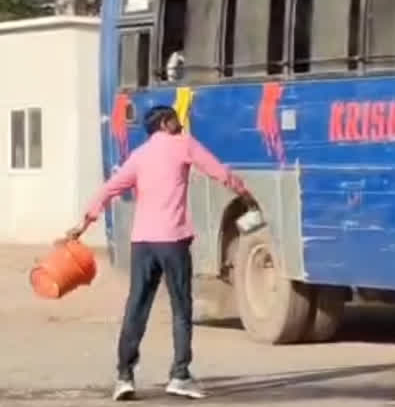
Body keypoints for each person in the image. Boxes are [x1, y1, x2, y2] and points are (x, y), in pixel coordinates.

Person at [66, 105, 254, 401]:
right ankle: (180, 375)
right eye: (176, 119)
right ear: (166, 124)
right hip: (173, 240)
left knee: (136, 307)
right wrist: (244, 193)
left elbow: (109, 189)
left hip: (143, 242)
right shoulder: (183, 144)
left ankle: (124, 376)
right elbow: (219, 171)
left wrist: (83, 224)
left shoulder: (139, 156)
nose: (180, 124)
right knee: (181, 308)